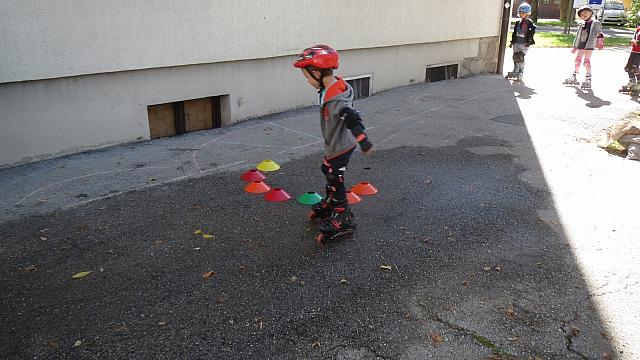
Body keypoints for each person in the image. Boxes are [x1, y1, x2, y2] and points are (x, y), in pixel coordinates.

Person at [293, 45, 373, 244]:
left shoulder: (336, 98)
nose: (308, 81)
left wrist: (363, 140)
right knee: (326, 168)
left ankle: (342, 216)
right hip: (335, 143)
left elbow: (352, 117)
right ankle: (331, 203)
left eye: (308, 77)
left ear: (318, 72)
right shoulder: (331, 87)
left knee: (335, 176)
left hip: (340, 146)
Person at [563, 5, 604, 90]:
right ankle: (574, 77)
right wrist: (575, 46)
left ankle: (588, 79)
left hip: (589, 45)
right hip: (581, 45)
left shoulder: (595, 23)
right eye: (581, 14)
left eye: (586, 12)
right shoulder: (582, 24)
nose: (584, 14)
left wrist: (600, 41)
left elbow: (599, 33)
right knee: (577, 61)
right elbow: (578, 36)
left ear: (591, 13)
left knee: (586, 62)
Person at [507, 2, 536, 82]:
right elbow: (514, 33)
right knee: (515, 57)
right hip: (516, 42)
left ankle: (521, 71)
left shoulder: (530, 24)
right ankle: (515, 70)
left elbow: (531, 34)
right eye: (519, 13)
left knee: (520, 57)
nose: (520, 14)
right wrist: (512, 42)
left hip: (524, 44)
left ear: (527, 13)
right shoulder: (518, 22)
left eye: (522, 13)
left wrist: (528, 42)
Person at [621, 13, 640, 93]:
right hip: (634, 51)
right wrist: (633, 41)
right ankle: (632, 82)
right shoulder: (638, 28)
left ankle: (638, 84)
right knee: (628, 66)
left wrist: (637, 42)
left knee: (635, 68)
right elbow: (634, 37)